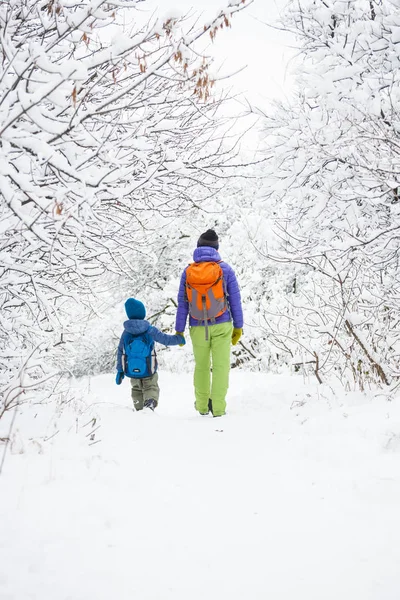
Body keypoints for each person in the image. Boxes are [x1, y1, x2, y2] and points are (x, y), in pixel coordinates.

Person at [175, 229, 243, 417]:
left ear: (198, 247)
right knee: (221, 366)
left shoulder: (188, 271)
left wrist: (179, 330)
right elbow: (235, 301)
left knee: (202, 366)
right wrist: (238, 326)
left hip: (197, 325)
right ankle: (219, 409)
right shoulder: (225, 269)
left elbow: (183, 303)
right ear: (216, 248)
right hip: (222, 324)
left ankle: (202, 406)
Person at [116, 298, 185, 411]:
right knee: (151, 386)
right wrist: (179, 339)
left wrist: (120, 370)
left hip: (132, 370)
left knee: (136, 388)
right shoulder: (149, 329)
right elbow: (165, 339)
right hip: (149, 368)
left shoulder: (126, 332)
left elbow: (120, 351)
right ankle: (150, 403)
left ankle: (138, 407)